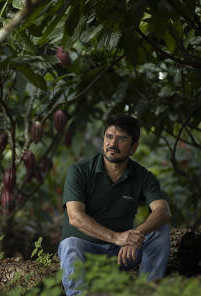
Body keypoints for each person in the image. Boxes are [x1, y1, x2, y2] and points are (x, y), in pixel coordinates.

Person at [58, 113, 171, 295]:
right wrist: (116, 237)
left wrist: (136, 235)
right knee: (70, 244)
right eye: (109, 137)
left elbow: (163, 211)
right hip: (86, 252)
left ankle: (146, 291)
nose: (112, 144)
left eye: (122, 139)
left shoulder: (143, 176)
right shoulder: (79, 170)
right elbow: (75, 217)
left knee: (160, 232)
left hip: (121, 254)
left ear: (134, 147)